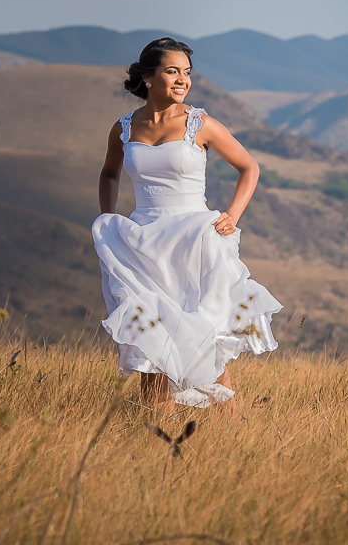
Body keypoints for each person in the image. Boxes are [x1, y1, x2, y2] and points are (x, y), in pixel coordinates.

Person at [92, 37, 282, 410]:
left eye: (187, 73)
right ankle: (152, 441)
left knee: (204, 338)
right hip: (142, 244)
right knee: (151, 344)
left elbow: (249, 167)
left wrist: (232, 216)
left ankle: (233, 441)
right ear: (148, 77)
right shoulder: (124, 128)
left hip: (196, 242)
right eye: (172, 71)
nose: (183, 80)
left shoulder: (201, 124)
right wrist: (107, 217)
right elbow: (109, 174)